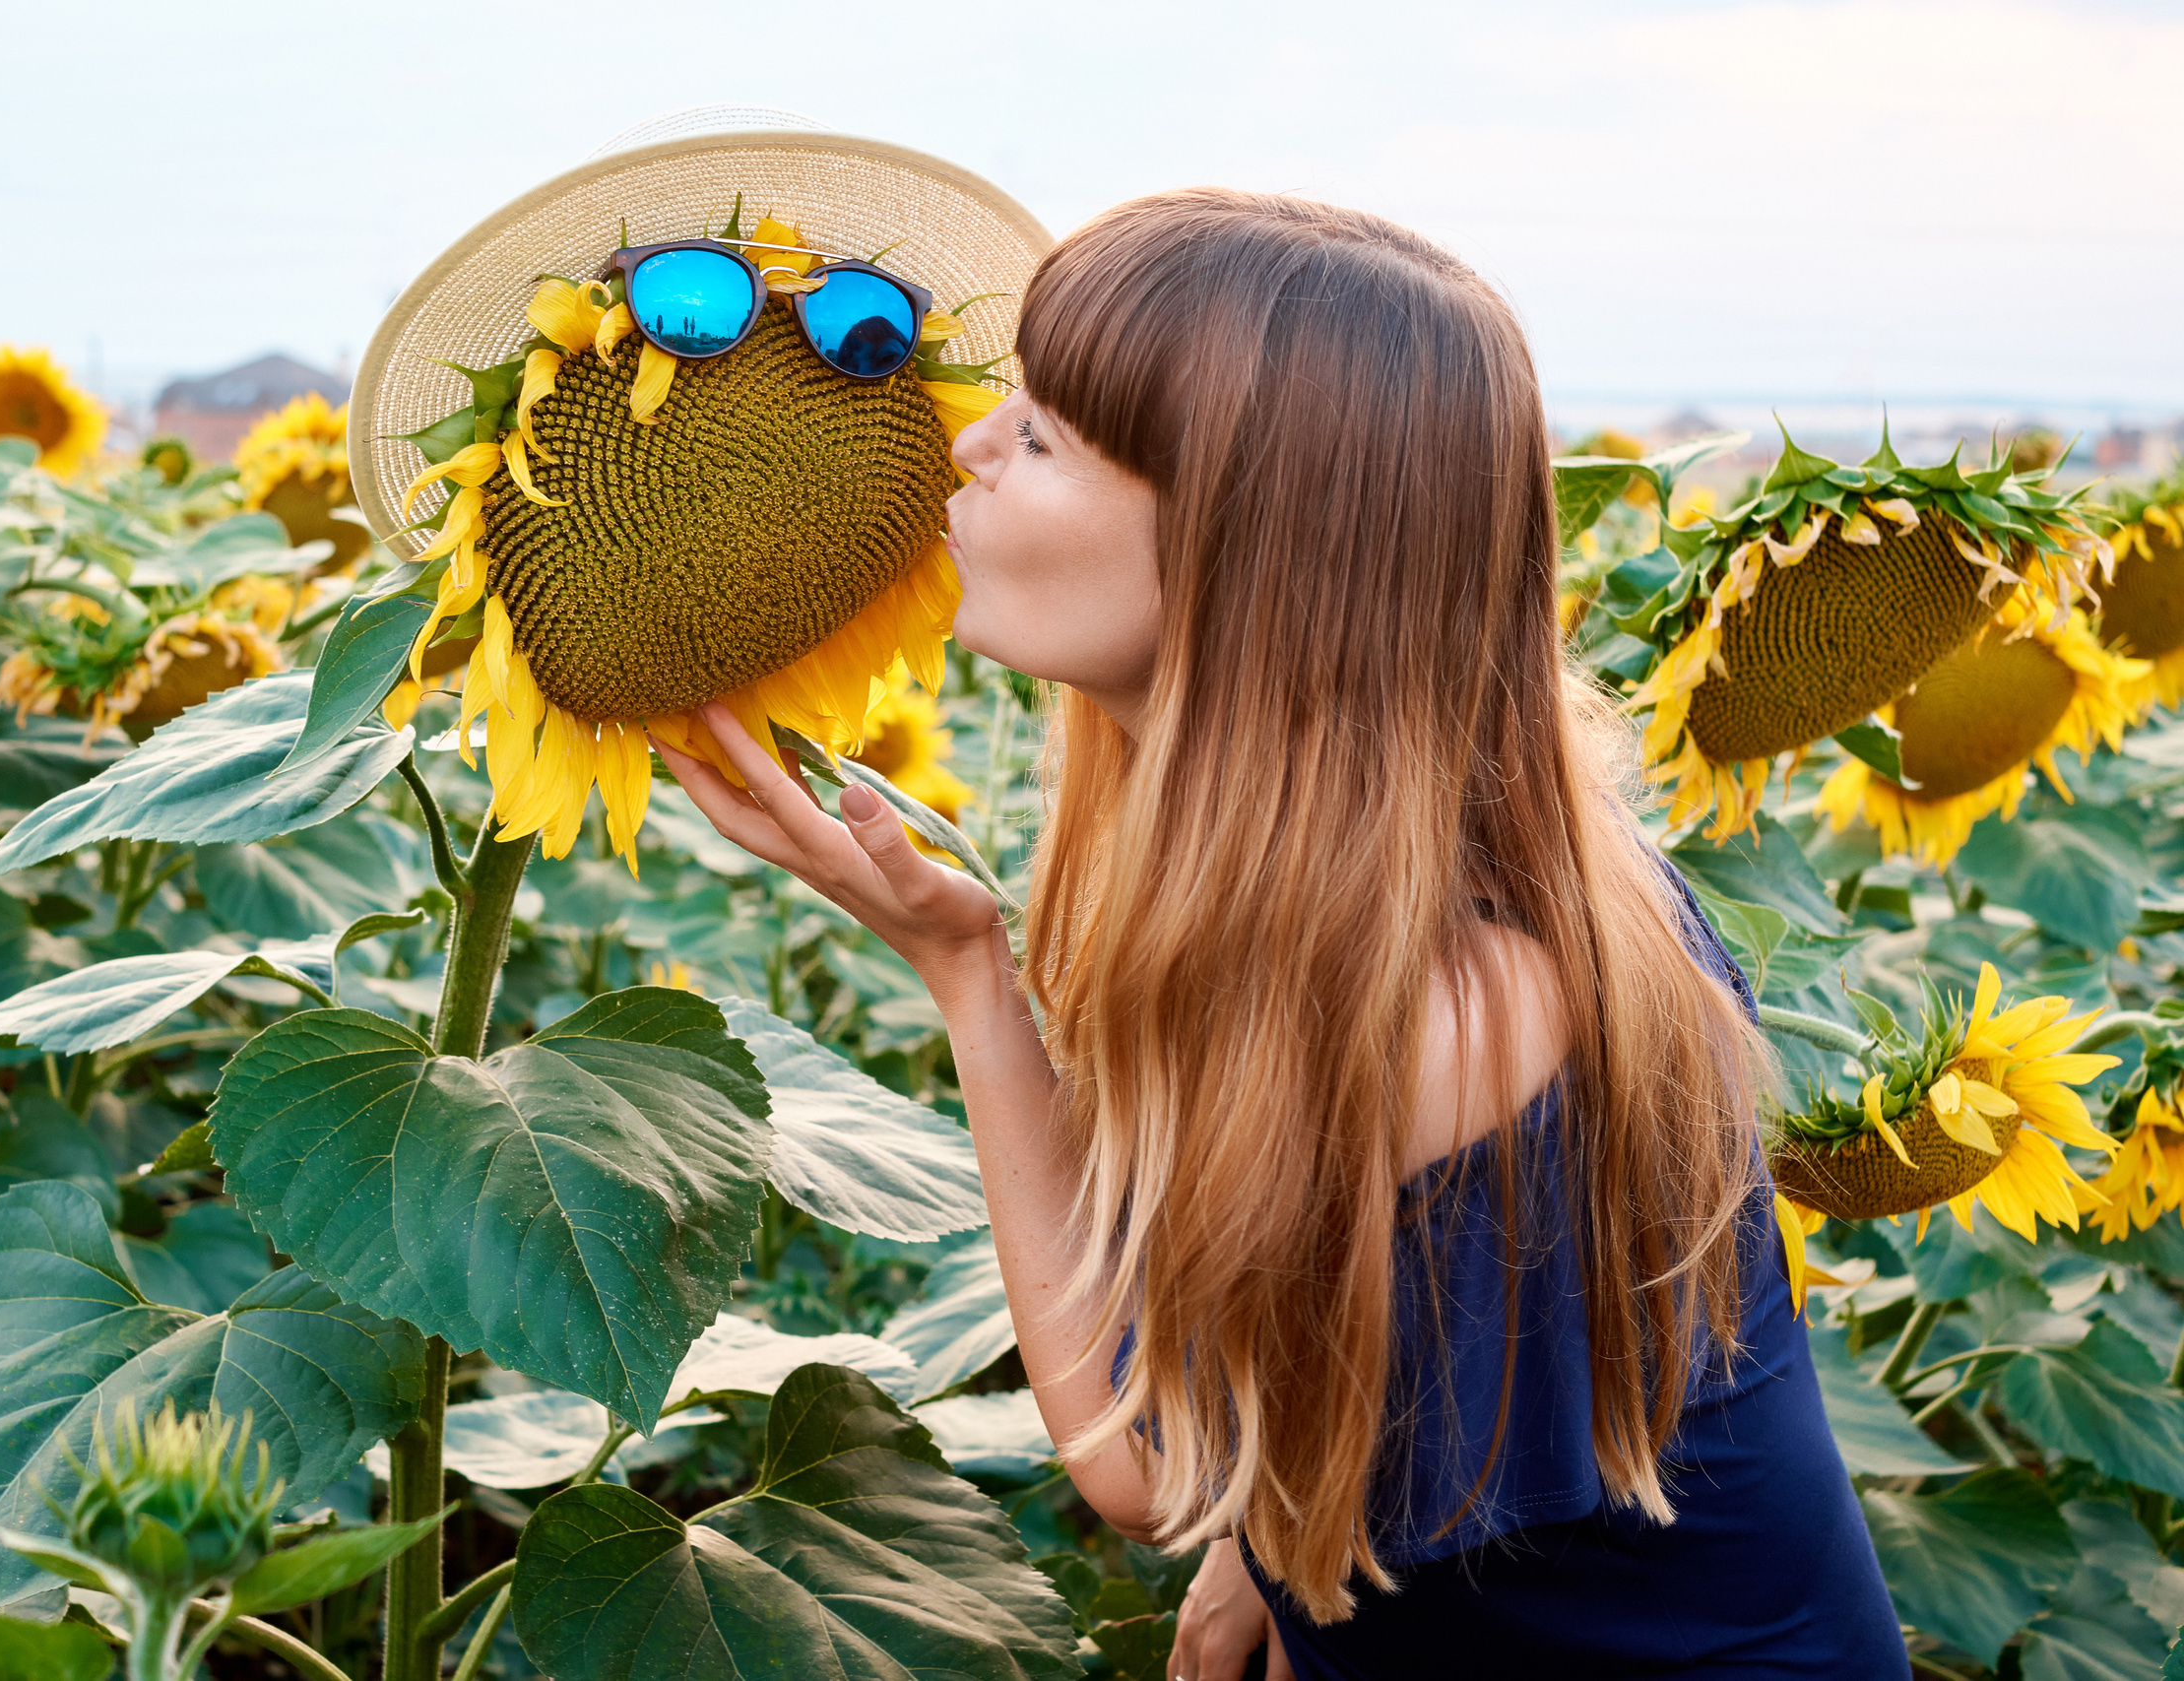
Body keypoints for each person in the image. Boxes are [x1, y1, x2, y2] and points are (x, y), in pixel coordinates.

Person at [652, 186, 1905, 1681]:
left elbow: (1149, 1467)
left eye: (1042, 435)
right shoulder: (1396, 883)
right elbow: (1308, 1370)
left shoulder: (1457, 1005)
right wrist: (1270, 1540)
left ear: (1255, 555)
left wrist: (965, 976)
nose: (966, 444)